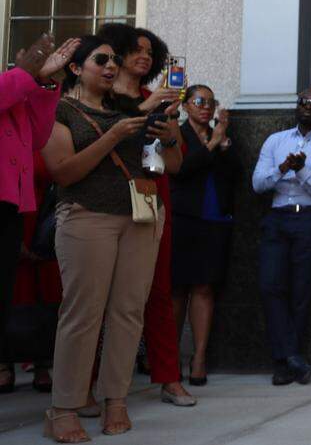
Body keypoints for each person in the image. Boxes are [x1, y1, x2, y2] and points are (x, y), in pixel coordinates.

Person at [40, 35, 182, 442]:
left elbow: (169, 165)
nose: (110, 65)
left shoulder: (133, 110)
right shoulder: (61, 109)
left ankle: (115, 401)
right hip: (87, 218)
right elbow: (63, 172)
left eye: (113, 60)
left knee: (128, 313)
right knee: (83, 314)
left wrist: (168, 131)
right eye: (100, 59)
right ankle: (63, 407)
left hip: (140, 217)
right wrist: (114, 135)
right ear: (76, 68)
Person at [98, 24, 196, 407]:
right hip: (101, 202)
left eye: (150, 52)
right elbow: (100, 135)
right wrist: (149, 104)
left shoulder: (157, 101)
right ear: (116, 52)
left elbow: (174, 164)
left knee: (158, 291)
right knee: (94, 298)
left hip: (151, 197)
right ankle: (85, 384)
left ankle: (169, 378)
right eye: (136, 50)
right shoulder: (97, 96)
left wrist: (170, 129)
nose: (145, 57)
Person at [251, 88, 311, 386]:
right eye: (303, 102)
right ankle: (292, 357)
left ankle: (284, 363)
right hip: (278, 218)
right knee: (270, 285)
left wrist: (302, 171)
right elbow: (258, 184)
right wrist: (282, 169)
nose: (307, 106)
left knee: (301, 291)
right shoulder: (276, 141)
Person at [0, 34, 75, 393]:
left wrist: (43, 82)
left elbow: (39, 132)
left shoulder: (15, 84)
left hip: (10, 207)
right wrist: (26, 74)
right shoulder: (12, 82)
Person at [170, 85, 239, 386]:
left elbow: (236, 175)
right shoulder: (176, 132)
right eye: (199, 101)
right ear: (186, 106)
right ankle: (170, 358)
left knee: (204, 288)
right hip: (183, 219)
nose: (206, 107)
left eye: (211, 102)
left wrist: (223, 147)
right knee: (176, 290)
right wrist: (212, 143)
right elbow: (181, 170)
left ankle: (199, 357)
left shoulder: (219, 136)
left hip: (214, 220)